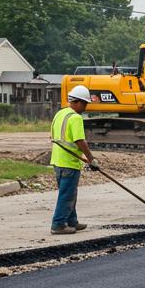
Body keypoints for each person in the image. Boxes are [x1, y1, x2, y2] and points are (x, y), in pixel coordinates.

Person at [49, 85, 99, 235]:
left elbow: (52, 135)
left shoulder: (60, 113)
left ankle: (71, 221)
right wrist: (91, 159)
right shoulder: (76, 118)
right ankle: (58, 225)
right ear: (76, 101)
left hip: (58, 161)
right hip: (69, 163)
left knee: (69, 193)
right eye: (84, 103)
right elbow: (79, 141)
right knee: (67, 194)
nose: (85, 107)